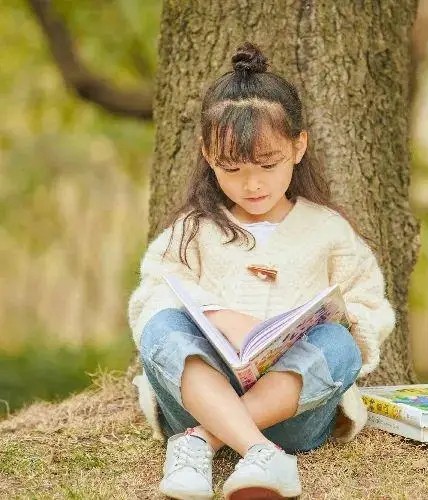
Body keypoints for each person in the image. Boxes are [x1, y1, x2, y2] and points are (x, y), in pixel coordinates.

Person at [127, 42, 395, 500]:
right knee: (159, 325)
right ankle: (259, 453)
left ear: (298, 146)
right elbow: (153, 295)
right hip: (197, 398)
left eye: (268, 165)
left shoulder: (328, 230)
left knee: (340, 342)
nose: (252, 184)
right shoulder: (193, 230)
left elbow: (371, 306)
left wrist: (329, 323)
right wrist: (217, 317)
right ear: (207, 156)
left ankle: (202, 445)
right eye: (231, 168)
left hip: (293, 413)